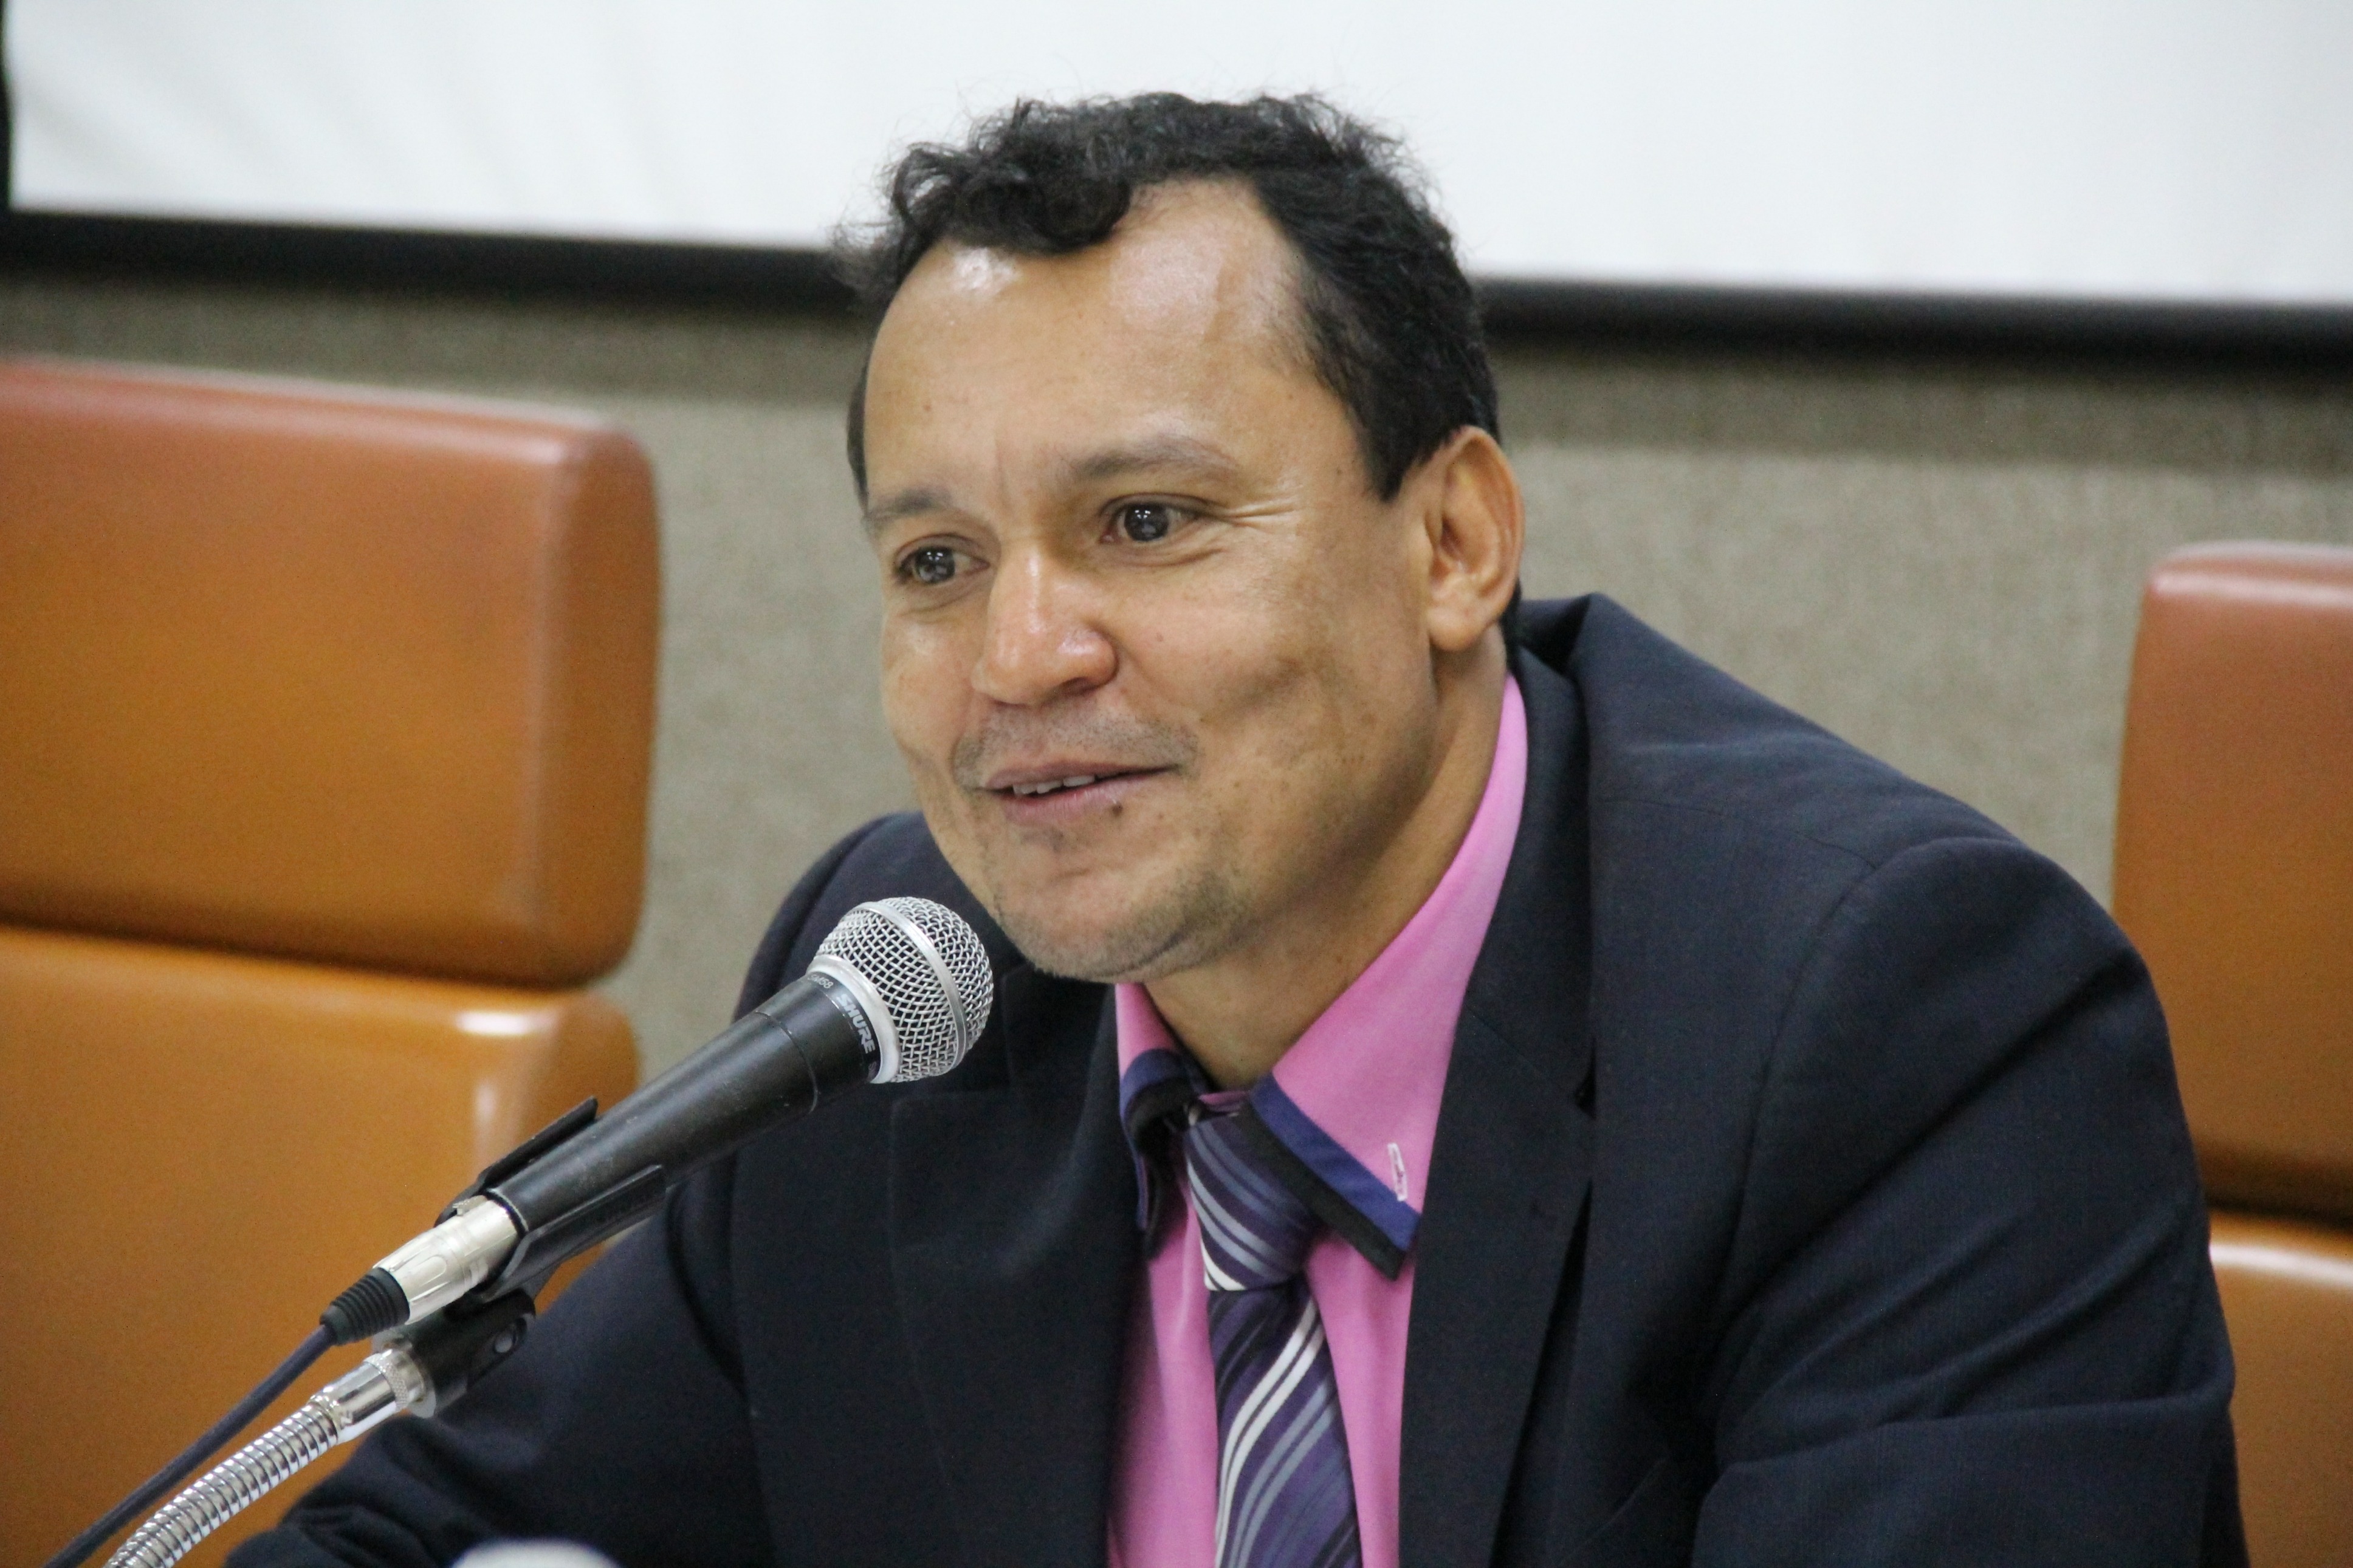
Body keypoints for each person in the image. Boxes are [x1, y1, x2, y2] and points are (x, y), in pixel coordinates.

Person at [236, 94, 2241, 1568]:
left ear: (1452, 542)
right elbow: (417, 1538)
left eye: (1146, 523)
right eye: (937, 562)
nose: (1019, 657)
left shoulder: (1894, 1024)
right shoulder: (904, 992)